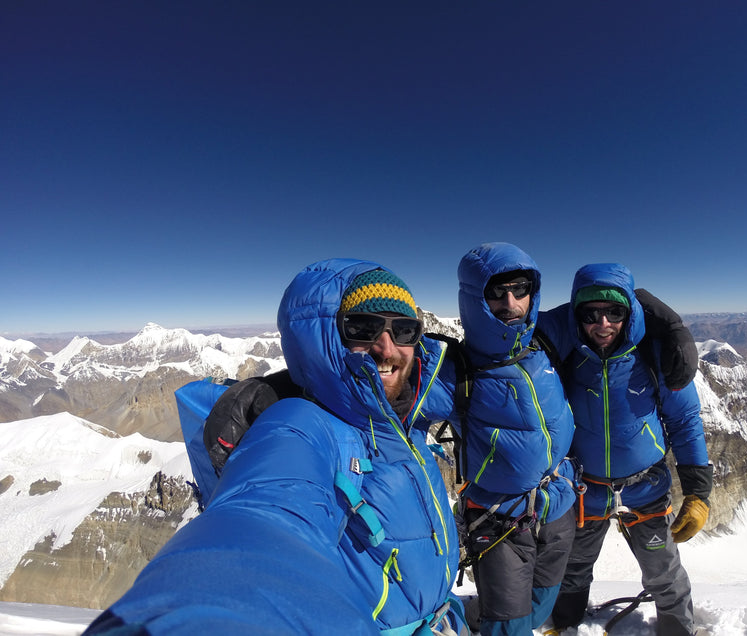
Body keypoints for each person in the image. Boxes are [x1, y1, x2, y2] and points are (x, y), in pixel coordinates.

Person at [84, 259, 467, 636]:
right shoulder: (302, 424)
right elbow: (264, 518)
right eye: (363, 327)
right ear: (330, 339)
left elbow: (490, 364)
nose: (387, 347)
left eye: (404, 330)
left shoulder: (404, 409)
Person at [538, 263, 713, 636]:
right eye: (591, 314)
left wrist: (698, 491)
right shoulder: (564, 356)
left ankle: (678, 630)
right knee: (574, 568)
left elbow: (685, 421)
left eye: (614, 312)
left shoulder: (654, 355)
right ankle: (567, 624)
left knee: (662, 570)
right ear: (576, 316)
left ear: (629, 313)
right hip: (587, 491)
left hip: (645, 486)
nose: (603, 324)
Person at [453, 243, 578, 636]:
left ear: (533, 292)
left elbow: (604, 300)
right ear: (475, 299)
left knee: (541, 607)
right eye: (495, 292)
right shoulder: (456, 369)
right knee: (508, 627)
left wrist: (668, 326)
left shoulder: (546, 338)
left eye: (520, 288)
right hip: (500, 520)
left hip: (557, 507)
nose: (510, 301)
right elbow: (388, 376)